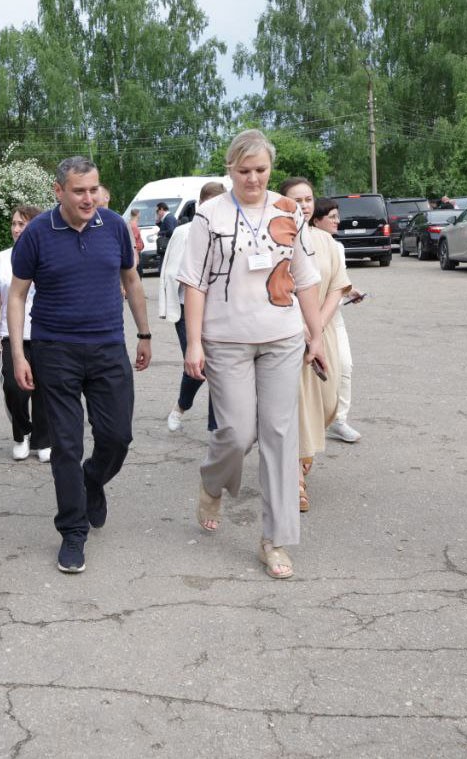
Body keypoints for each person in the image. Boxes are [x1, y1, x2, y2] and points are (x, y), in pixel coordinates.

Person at [177, 130, 327, 580]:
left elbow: (305, 276)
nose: (253, 178)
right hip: (226, 340)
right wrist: (194, 343)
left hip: (282, 337)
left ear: (270, 169)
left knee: (280, 434)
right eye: (244, 170)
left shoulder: (288, 210)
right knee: (237, 432)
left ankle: (275, 540)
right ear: (230, 169)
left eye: (261, 169)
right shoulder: (210, 214)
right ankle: (212, 483)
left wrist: (316, 335)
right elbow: (194, 282)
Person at [9, 156, 152, 574]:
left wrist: (144, 333)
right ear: (58, 191)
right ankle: (73, 531)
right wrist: (18, 353)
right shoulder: (37, 233)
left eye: (93, 190)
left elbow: (131, 280)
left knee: (118, 436)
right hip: (55, 351)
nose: (89, 199)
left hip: (108, 348)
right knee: (66, 445)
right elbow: (16, 295)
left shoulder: (114, 226)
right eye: (79, 191)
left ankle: (93, 478)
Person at [281, 181, 351, 513]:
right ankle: (295, 479)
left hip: (323, 333)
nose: (305, 205)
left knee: (328, 401)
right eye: (297, 200)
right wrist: (303, 329)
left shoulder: (326, 241)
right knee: (296, 405)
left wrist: (317, 328)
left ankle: (306, 447)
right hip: (287, 335)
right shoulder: (275, 238)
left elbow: (337, 286)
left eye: (308, 199)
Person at [159, 181, 224, 433]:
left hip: (220, 312)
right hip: (187, 311)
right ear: (200, 204)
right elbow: (170, 274)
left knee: (219, 370)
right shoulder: (184, 232)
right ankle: (181, 406)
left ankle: (216, 429)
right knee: (197, 366)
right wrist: (171, 309)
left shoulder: (228, 230)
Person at [0, 204, 50, 463]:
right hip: (11, 334)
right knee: (14, 388)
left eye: (22, 224)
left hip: (44, 333)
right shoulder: (1, 259)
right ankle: (22, 433)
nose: (16, 229)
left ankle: (43, 439)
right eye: (14, 224)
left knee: (44, 388)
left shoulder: (48, 254)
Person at [311, 201, 363, 444]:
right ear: (316, 220)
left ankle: (338, 420)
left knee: (344, 366)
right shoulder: (302, 244)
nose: (337, 221)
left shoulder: (337, 246)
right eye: (331, 217)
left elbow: (338, 280)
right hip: (304, 319)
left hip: (333, 317)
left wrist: (351, 291)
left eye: (337, 216)